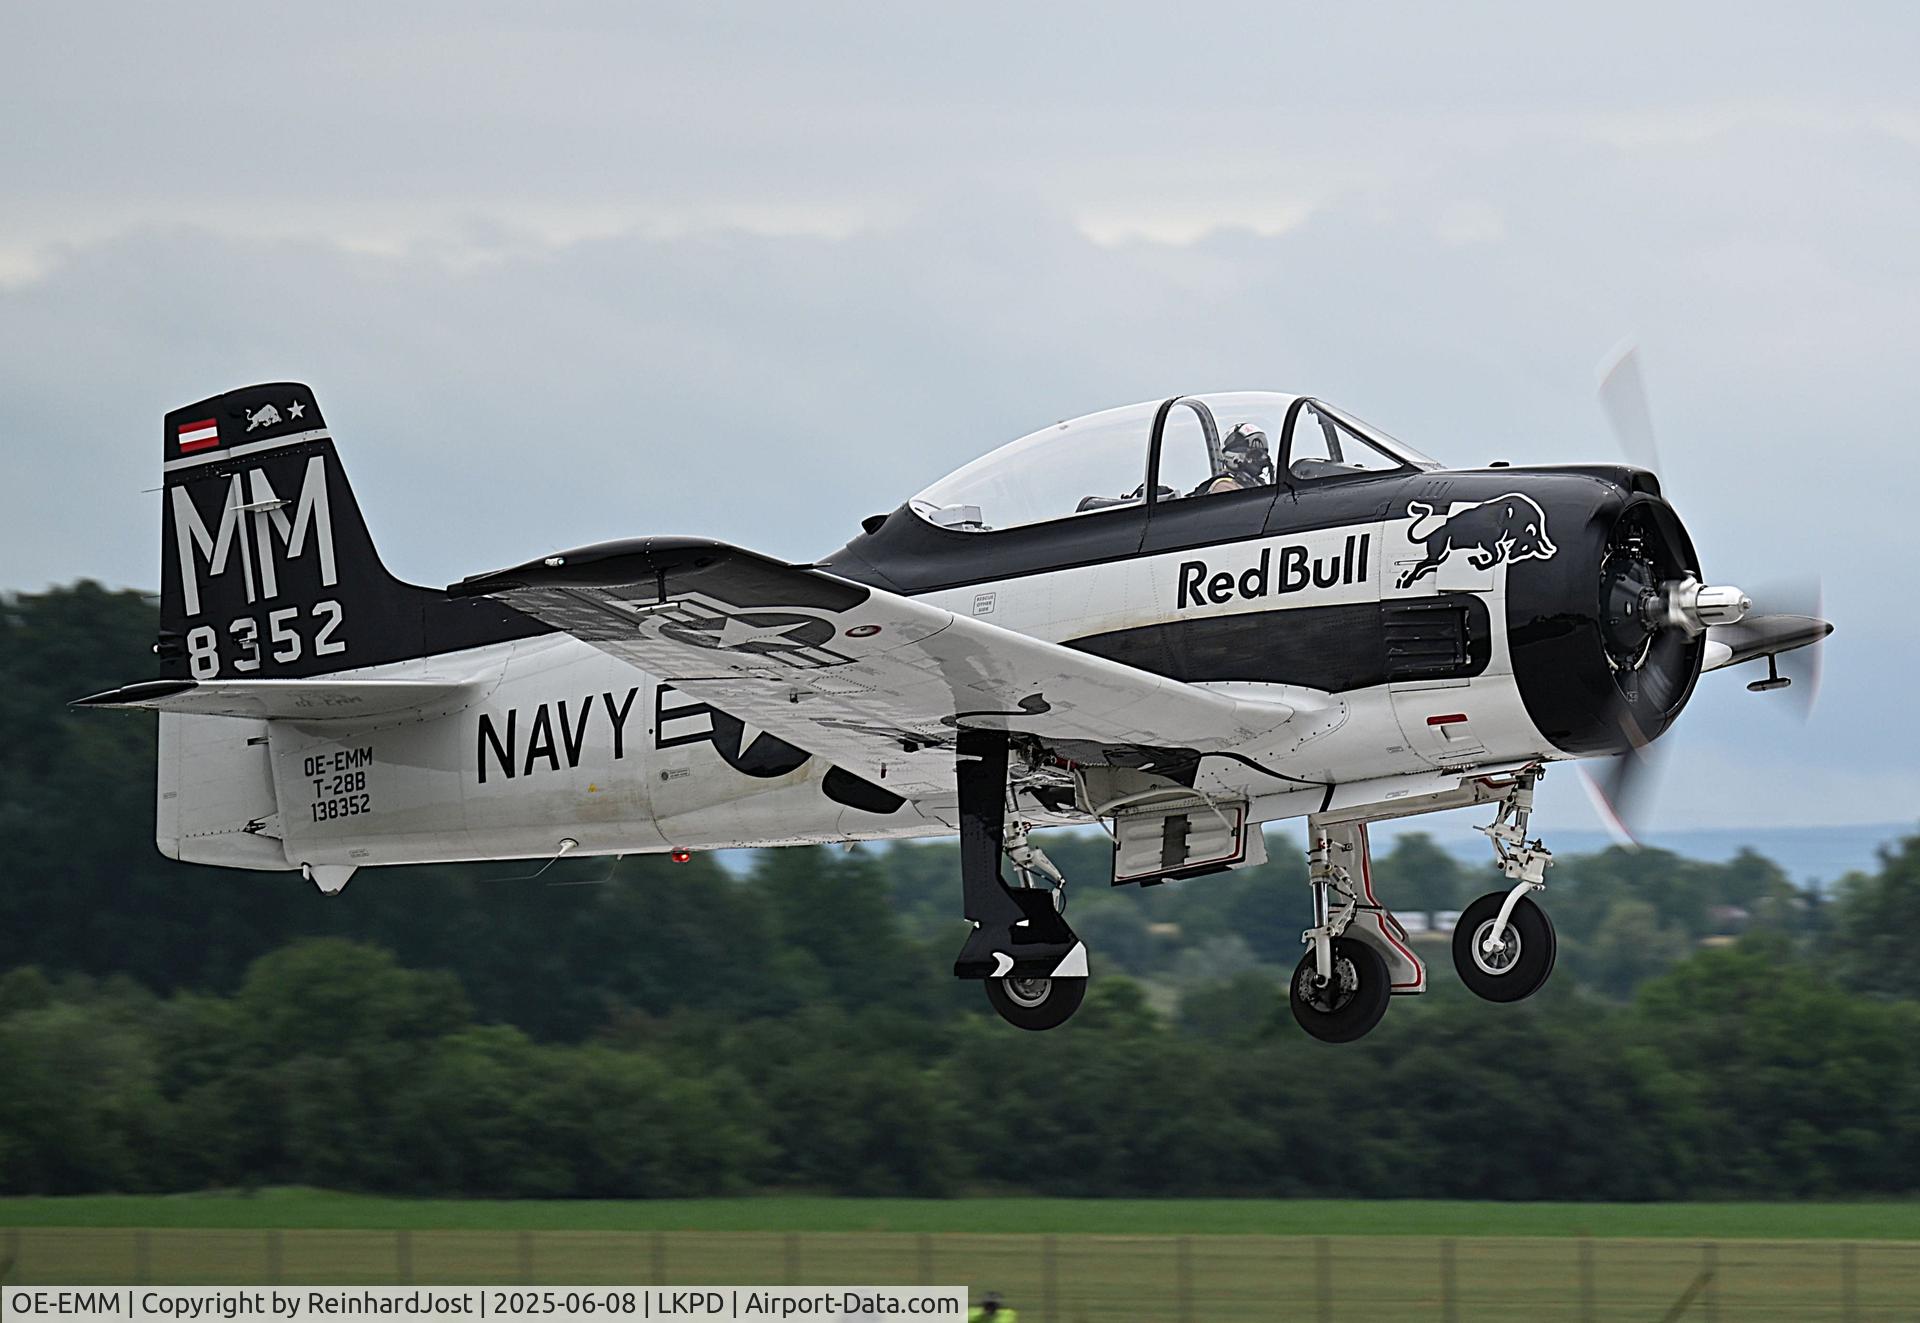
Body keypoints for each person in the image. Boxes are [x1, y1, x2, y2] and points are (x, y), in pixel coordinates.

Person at [1194, 422, 1272, 495]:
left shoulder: (1255, 484)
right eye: (1254, 455)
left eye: (1261, 454)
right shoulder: (1224, 486)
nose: (1261, 458)